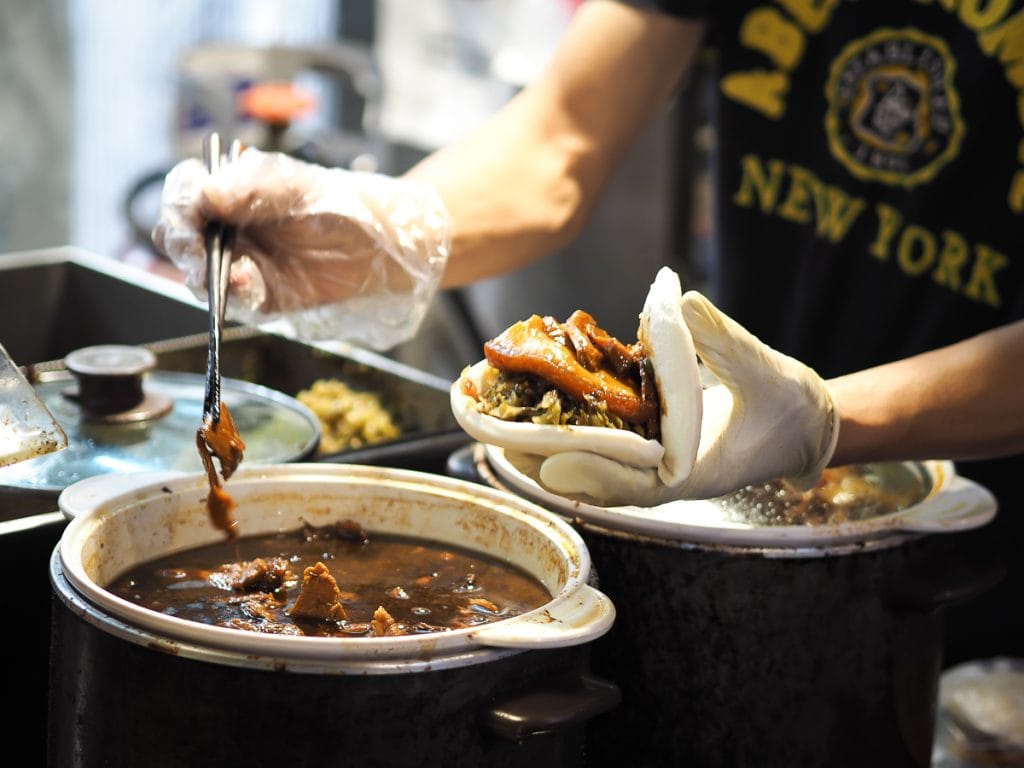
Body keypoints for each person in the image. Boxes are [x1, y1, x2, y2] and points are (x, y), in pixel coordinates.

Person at [155, 0, 1024, 666]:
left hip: (981, 542)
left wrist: (822, 419)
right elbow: (562, 136)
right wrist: (392, 229)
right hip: (729, 477)